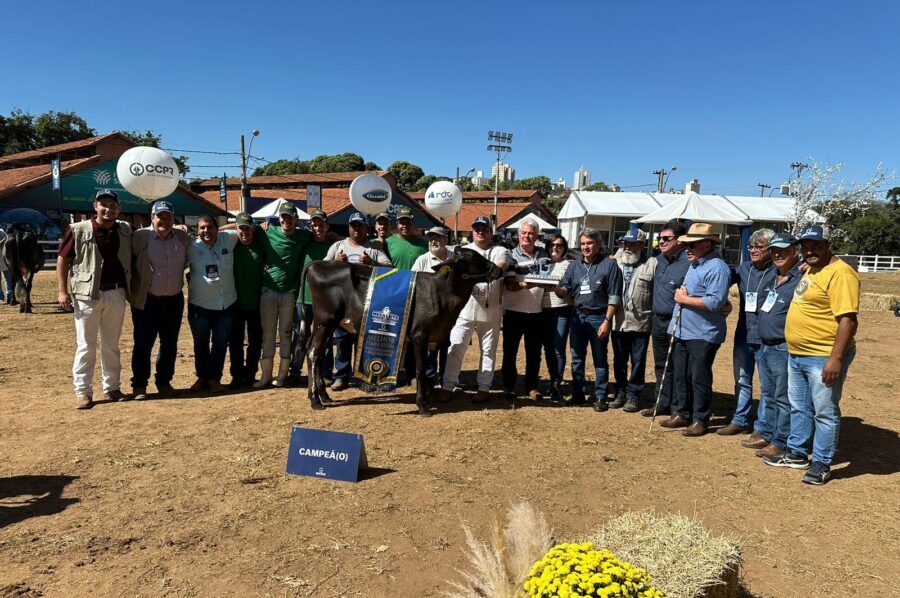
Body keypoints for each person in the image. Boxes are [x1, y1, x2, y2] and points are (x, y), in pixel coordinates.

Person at [763, 224, 859, 485]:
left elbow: (848, 320)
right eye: (805, 247)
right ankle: (796, 452)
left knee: (824, 412)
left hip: (822, 355)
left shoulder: (841, 274)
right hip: (798, 353)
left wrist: (835, 358)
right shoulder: (813, 269)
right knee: (800, 407)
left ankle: (821, 462)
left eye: (815, 245)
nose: (809, 251)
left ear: (829, 244)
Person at [56, 189, 132, 409]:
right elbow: (63, 260)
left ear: (119, 208)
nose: (108, 209)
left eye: (113, 205)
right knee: (86, 345)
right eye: (104, 204)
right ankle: (83, 392)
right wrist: (63, 291)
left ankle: (112, 388)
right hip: (86, 295)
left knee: (111, 345)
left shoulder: (125, 230)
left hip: (116, 293)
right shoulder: (78, 230)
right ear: (95, 206)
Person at [660, 223, 730, 437]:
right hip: (682, 329)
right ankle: (682, 412)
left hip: (703, 333)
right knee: (681, 374)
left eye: (693, 245)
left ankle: (700, 419)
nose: (688, 249)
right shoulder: (695, 264)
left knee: (698, 377)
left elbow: (715, 302)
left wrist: (684, 299)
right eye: (687, 244)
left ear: (707, 244)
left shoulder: (717, 268)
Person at [436, 215, 512, 404]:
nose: (480, 232)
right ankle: (447, 386)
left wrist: (472, 274)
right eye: (477, 228)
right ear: (472, 231)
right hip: (465, 309)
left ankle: (484, 387)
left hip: (491, 309)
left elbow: (499, 268)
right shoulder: (463, 251)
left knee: (488, 350)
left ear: (490, 232)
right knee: (456, 347)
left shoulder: (501, 251)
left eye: (484, 229)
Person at [556, 228, 623, 411]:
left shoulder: (610, 265)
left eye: (590, 243)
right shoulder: (574, 265)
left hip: (599, 316)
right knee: (577, 358)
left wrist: (607, 321)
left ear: (598, 244)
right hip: (578, 317)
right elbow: (565, 288)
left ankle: (600, 396)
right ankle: (578, 394)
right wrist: (553, 287)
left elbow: (615, 296)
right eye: (583, 243)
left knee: (600, 359)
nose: (586, 247)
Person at [130, 200, 191, 401]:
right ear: (152, 217)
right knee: (143, 344)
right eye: (160, 216)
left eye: (168, 216)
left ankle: (164, 382)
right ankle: (139, 385)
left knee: (169, 344)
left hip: (174, 300)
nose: (164, 220)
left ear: (173, 218)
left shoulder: (182, 237)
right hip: (148, 300)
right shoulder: (140, 237)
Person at [718, 229, 775, 440]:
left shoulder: (778, 270)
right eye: (751, 246)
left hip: (767, 337)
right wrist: (721, 301)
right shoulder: (743, 268)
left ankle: (762, 426)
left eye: (759, 247)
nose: (753, 250)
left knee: (768, 386)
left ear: (770, 249)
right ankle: (739, 420)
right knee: (742, 379)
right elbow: (721, 280)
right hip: (744, 333)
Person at [326, 212, 392, 390]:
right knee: (342, 339)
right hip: (343, 303)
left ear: (366, 228)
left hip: (367, 303)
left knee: (365, 340)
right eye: (353, 225)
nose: (357, 229)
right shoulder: (338, 246)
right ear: (349, 227)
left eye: (360, 226)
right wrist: (335, 262)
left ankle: (364, 376)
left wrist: (372, 263)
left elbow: (391, 269)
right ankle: (341, 376)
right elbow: (322, 269)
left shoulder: (374, 249)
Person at [753, 233, 803, 459]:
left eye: (783, 250)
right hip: (765, 345)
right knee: (769, 393)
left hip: (783, 347)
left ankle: (780, 441)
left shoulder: (801, 278)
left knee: (783, 397)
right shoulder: (771, 275)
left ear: (795, 251)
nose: (777, 254)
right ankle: (769, 433)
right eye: (773, 250)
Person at [255, 202, 312, 388]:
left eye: (290, 217)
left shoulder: (304, 236)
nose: (287, 220)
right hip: (268, 291)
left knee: (286, 333)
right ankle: (265, 375)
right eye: (284, 217)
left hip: (289, 293)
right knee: (268, 334)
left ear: (296, 219)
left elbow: (322, 236)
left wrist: (334, 234)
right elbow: (242, 227)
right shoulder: (267, 232)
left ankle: (281, 376)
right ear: (279, 219)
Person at [641, 221, 690, 418]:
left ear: (679, 240)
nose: (661, 242)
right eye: (659, 238)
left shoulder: (688, 261)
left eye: (666, 239)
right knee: (661, 365)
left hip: (678, 320)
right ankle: (662, 402)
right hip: (658, 319)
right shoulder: (659, 259)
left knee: (679, 366)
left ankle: (679, 409)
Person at [186, 216, 239, 392]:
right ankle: (202, 378)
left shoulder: (228, 238)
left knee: (220, 343)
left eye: (210, 227)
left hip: (226, 304)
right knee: (200, 344)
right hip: (200, 306)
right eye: (202, 228)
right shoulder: (191, 247)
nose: (206, 231)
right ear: (197, 230)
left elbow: (240, 225)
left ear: (218, 228)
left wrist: (223, 229)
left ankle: (214, 379)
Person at [502, 219, 549, 401]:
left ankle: (531, 386)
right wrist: (523, 285)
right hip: (513, 312)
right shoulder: (511, 256)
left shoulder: (544, 255)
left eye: (530, 233)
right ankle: (508, 386)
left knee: (534, 352)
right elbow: (509, 284)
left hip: (536, 312)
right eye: (524, 233)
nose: (526, 236)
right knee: (510, 351)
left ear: (536, 236)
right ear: (518, 235)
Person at [610, 229, 656, 413]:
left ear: (642, 245)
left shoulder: (652, 264)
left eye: (633, 244)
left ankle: (633, 395)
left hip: (641, 321)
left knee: (638, 361)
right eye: (625, 243)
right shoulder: (616, 263)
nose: (628, 247)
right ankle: (620, 391)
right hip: (618, 321)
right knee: (619, 359)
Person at [290, 210, 335, 384]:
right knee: (300, 335)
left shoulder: (334, 246)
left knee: (326, 337)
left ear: (327, 226)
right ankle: (295, 371)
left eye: (321, 224)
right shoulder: (305, 243)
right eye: (314, 225)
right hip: (304, 299)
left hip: (326, 302)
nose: (318, 228)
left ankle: (325, 372)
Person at [412, 226, 455, 388]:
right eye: (431, 238)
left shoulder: (455, 259)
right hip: (428, 315)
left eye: (437, 237)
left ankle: (446, 380)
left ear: (446, 239)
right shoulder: (422, 260)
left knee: (448, 347)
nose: (433, 241)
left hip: (450, 314)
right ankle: (429, 381)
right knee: (430, 349)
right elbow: (412, 284)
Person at [229, 212, 265, 389]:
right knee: (235, 342)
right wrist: (233, 227)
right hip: (235, 304)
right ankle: (236, 375)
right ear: (236, 229)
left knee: (255, 342)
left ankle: (250, 374)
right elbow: (218, 231)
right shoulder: (232, 245)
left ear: (253, 229)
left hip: (256, 304)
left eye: (248, 229)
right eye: (241, 228)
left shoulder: (261, 246)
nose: (245, 232)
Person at [541, 234, 573, 403]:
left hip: (561, 309)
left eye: (559, 245)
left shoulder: (568, 265)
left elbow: (568, 288)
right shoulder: (543, 263)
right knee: (547, 348)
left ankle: (556, 382)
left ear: (564, 247)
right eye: (552, 244)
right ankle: (551, 379)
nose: (555, 247)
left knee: (558, 348)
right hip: (543, 309)